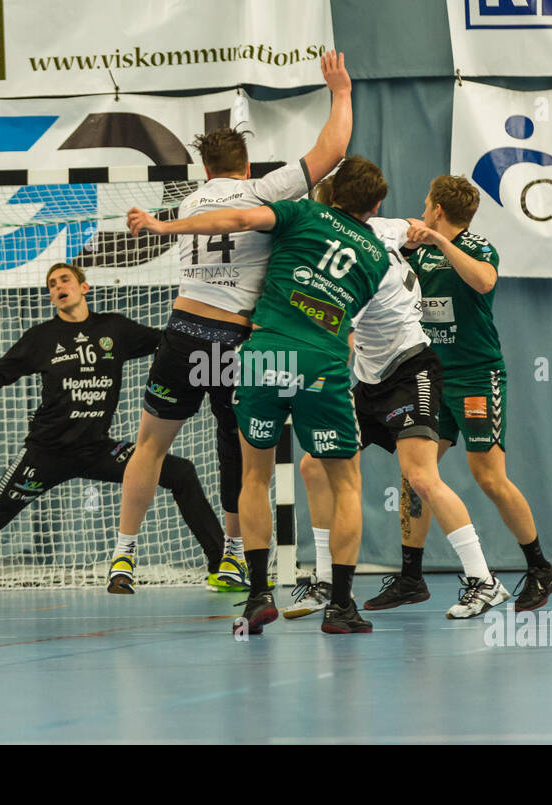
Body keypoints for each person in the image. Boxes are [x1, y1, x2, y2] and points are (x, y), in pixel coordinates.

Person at [107, 50, 353, 595]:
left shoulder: (191, 200)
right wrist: (340, 92)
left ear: (205, 170)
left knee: (150, 445)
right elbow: (332, 150)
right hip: (237, 342)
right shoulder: (263, 190)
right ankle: (234, 557)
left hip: (184, 330)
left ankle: (123, 555)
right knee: (242, 452)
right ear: (246, 166)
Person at [128, 156, 391, 634]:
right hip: (321, 361)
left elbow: (239, 219)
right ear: (375, 205)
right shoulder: (377, 255)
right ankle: (341, 605)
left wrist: (166, 227)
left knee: (254, 477)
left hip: (264, 353)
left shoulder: (301, 213)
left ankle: (256, 596)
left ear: (329, 193)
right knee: (346, 484)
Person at [0, 263, 222, 599]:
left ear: (83, 287)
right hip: (45, 455)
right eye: (51, 285)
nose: (58, 287)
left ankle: (221, 567)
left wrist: (224, 338)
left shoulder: (115, 329)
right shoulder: (42, 338)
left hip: (98, 451)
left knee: (181, 473)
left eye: (64, 280)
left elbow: (169, 343)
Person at [284, 183, 495, 621]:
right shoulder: (382, 229)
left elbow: (338, 329)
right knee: (312, 465)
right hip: (370, 379)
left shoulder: (359, 264)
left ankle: (484, 581)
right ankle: (325, 581)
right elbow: (414, 225)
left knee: (420, 476)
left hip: (410, 370)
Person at [399, 175, 552, 616]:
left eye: (427, 203)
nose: (423, 207)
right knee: (415, 474)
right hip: (430, 376)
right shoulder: (415, 249)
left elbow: (484, 282)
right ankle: (412, 576)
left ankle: (540, 568)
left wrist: (442, 242)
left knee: (489, 477)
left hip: (476, 376)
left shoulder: (478, 248)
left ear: (438, 211)